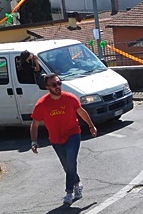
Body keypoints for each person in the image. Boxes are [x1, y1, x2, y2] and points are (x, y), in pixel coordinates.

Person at [30, 73, 98, 206]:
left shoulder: (70, 98)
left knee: (71, 160)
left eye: (59, 83)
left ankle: (69, 192)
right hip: (56, 139)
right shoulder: (42, 104)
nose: (58, 87)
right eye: (54, 85)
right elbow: (35, 124)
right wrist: (34, 141)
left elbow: (81, 112)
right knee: (67, 165)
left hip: (73, 134)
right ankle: (77, 183)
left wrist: (91, 126)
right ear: (47, 87)